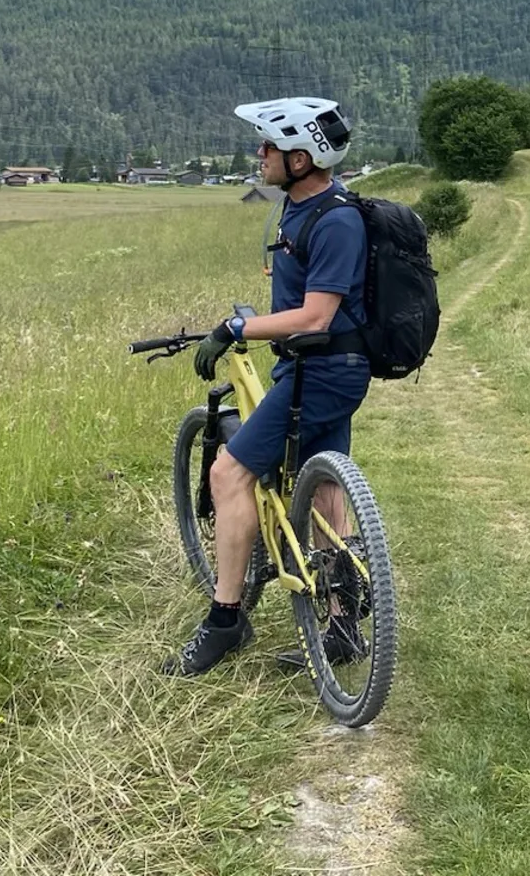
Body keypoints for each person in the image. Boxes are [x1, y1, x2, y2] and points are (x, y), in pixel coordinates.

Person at [164, 96, 369, 676]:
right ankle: (342, 629)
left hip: (323, 372)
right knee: (324, 492)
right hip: (315, 367)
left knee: (228, 474)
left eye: (270, 146)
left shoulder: (336, 220)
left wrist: (236, 329)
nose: (260, 154)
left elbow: (316, 317)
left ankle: (226, 620)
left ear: (300, 159)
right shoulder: (299, 209)